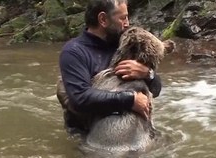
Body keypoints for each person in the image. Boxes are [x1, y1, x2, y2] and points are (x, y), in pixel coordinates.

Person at [57, 0, 162, 135]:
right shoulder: (74, 52)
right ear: (103, 19)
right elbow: (80, 98)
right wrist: (130, 100)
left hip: (132, 129)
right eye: (122, 18)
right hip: (87, 134)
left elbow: (157, 90)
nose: (127, 23)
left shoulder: (126, 45)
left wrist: (148, 74)